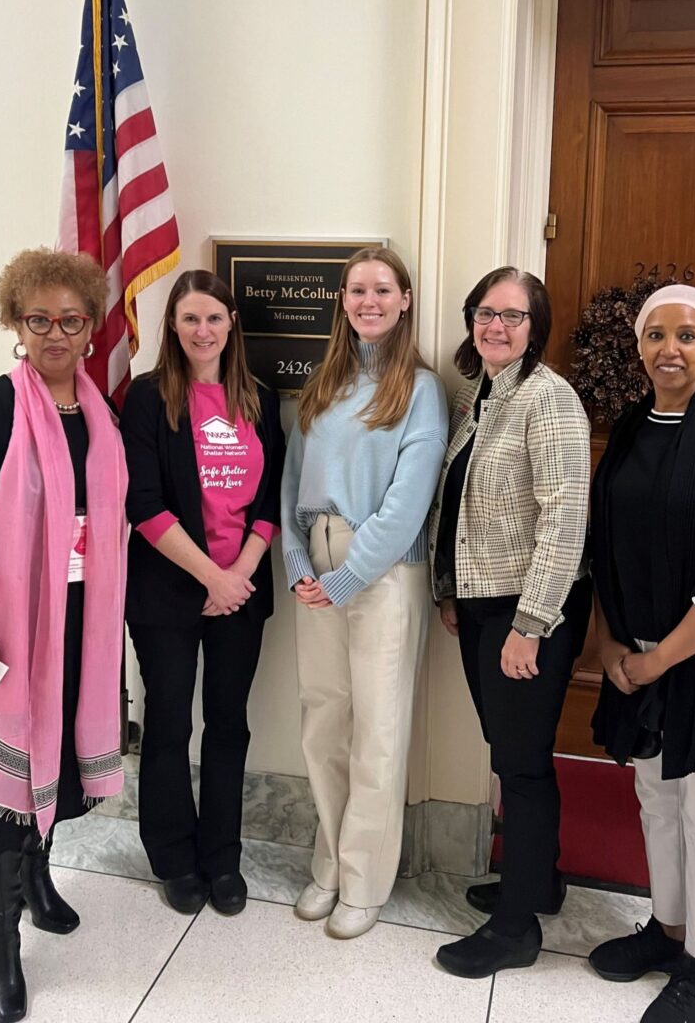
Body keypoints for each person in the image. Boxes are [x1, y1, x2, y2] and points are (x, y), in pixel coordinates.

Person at [0, 248, 127, 1022]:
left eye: (71, 319)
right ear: (15, 324)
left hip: (80, 624)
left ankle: (39, 883)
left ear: (92, 329)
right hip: (8, 629)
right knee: (2, 788)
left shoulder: (102, 416)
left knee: (60, 757)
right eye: (39, 320)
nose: (55, 334)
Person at [281, 247, 447, 939]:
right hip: (314, 563)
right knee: (325, 722)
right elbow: (291, 482)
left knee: (378, 729)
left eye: (382, 289)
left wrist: (348, 578)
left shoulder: (420, 389)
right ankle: (329, 861)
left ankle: (365, 880)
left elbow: (409, 504)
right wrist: (297, 561)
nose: (368, 301)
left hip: (382, 571)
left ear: (405, 299)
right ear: (341, 301)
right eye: (356, 290)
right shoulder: (324, 381)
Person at [429, 266, 591, 978]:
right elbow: (460, 505)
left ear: (535, 327)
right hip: (482, 602)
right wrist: (448, 591)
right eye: (485, 313)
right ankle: (538, 879)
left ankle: (516, 926)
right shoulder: (484, 394)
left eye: (513, 316)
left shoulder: (548, 400)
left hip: (530, 608)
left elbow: (564, 522)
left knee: (520, 765)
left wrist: (531, 623)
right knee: (508, 749)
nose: (496, 326)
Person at [120, 270, 284, 919]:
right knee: (167, 725)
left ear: (231, 324)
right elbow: (143, 504)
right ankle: (171, 855)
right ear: (172, 326)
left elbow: (270, 500)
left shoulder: (259, 398)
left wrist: (236, 576)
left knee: (228, 726)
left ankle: (222, 857)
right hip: (167, 592)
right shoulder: (146, 397)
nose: (202, 330)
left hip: (239, 593)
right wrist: (209, 578)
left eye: (213, 317)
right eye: (189, 318)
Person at [588, 285, 695, 1023]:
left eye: (685, 336)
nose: (668, 349)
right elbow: (606, 547)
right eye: (654, 335)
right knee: (656, 800)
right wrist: (611, 639)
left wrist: (659, 658)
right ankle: (668, 929)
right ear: (638, 346)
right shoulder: (629, 431)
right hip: (633, 654)